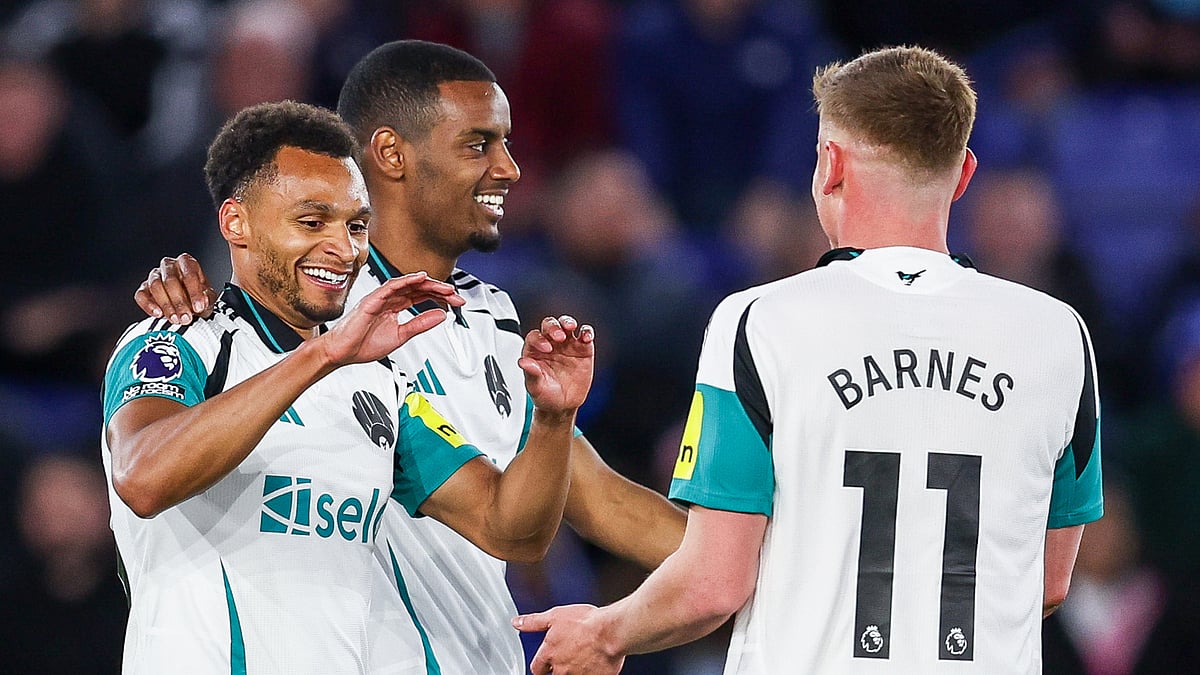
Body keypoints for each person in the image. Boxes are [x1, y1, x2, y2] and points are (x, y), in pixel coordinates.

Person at [513, 45, 1104, 674]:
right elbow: (1046, 582)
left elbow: (714, 583)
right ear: (963, 175)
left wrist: (604, 634)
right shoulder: (1058, 334)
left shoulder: (761, 322)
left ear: (830, 165)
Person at [133, 41, 686, 674]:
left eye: (505, 144)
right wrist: (187, 293)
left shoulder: (492, 316)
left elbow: (585, 499)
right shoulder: (316, 313)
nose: (509, 169)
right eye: (478, 145)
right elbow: (158, 450)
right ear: (392, 154)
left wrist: (749, 557)